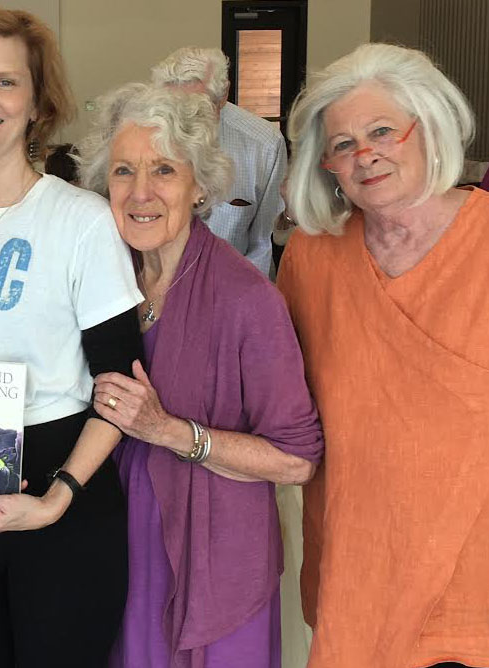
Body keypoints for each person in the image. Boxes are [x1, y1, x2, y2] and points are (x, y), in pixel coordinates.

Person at [0, 9, 143, 667]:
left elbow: (122, 388)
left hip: (59, 482)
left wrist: (56, 497)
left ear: (37, 103)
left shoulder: (80, 221)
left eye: (5, 83)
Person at [78, 83, 323, 668]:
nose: (140, 193)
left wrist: (167, 430)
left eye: (164, 170)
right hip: (117, 547)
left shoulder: (247, 300)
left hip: (213, 557)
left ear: (200, 186)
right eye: (122, 171)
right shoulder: (98, 282)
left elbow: (296, 459)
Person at [277, 43, 489, 668]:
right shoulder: (312, 259)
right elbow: (281, 404)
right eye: (342, 145)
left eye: (381, 131)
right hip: (358, 569)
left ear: (428, 127)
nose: (365, 155)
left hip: (476, 583)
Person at [152, 47, 287, 276]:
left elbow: (264, 242)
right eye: (173, 109)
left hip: (234, 282)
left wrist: (239, 299)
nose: (184, 122)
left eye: (197, 109)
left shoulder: (263, 145)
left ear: (223, 95)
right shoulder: (146, 135)